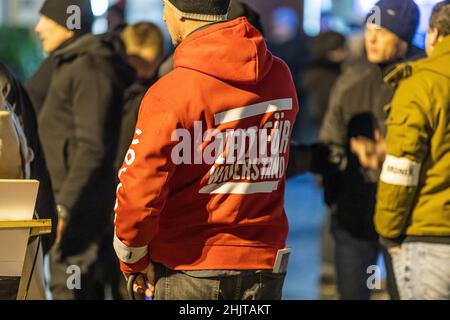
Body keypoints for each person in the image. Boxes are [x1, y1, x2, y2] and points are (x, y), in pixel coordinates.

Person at [114, 0, 298, 300]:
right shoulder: (279, 77)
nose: (162, 14)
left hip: (189, 267)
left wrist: (132, 257)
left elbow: (139, 189)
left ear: (179, 12)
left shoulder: (171, 92)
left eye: (164, 5)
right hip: (265, 266)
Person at [30, 0, 134, 299]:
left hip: (78, 212)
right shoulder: (70, 61)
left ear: (66, 22)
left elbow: (93, 147)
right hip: (70, 204)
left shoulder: (89, 65)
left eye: (45, 20)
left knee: (71, 287)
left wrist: (64, 207)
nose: (38, 28)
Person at [317, 0, 421, 300]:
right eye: (368, 29)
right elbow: (330, 142)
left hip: (407, 221)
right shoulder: (352, 79)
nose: (371, 38)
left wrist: (390, 153)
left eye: (382, 31)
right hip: (354, 218)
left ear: (403, 36)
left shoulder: (424, 80)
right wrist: (334, 196)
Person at [373, 0, 450, 300]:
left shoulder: (420, 85)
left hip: (430, 241)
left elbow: (401, 171)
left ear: (432, 35)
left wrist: (388, 233)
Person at [115, 22, 164, 171]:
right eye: (136, 63)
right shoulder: (116, 84)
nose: (142, 72)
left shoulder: (161, 89)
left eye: (148, 65)